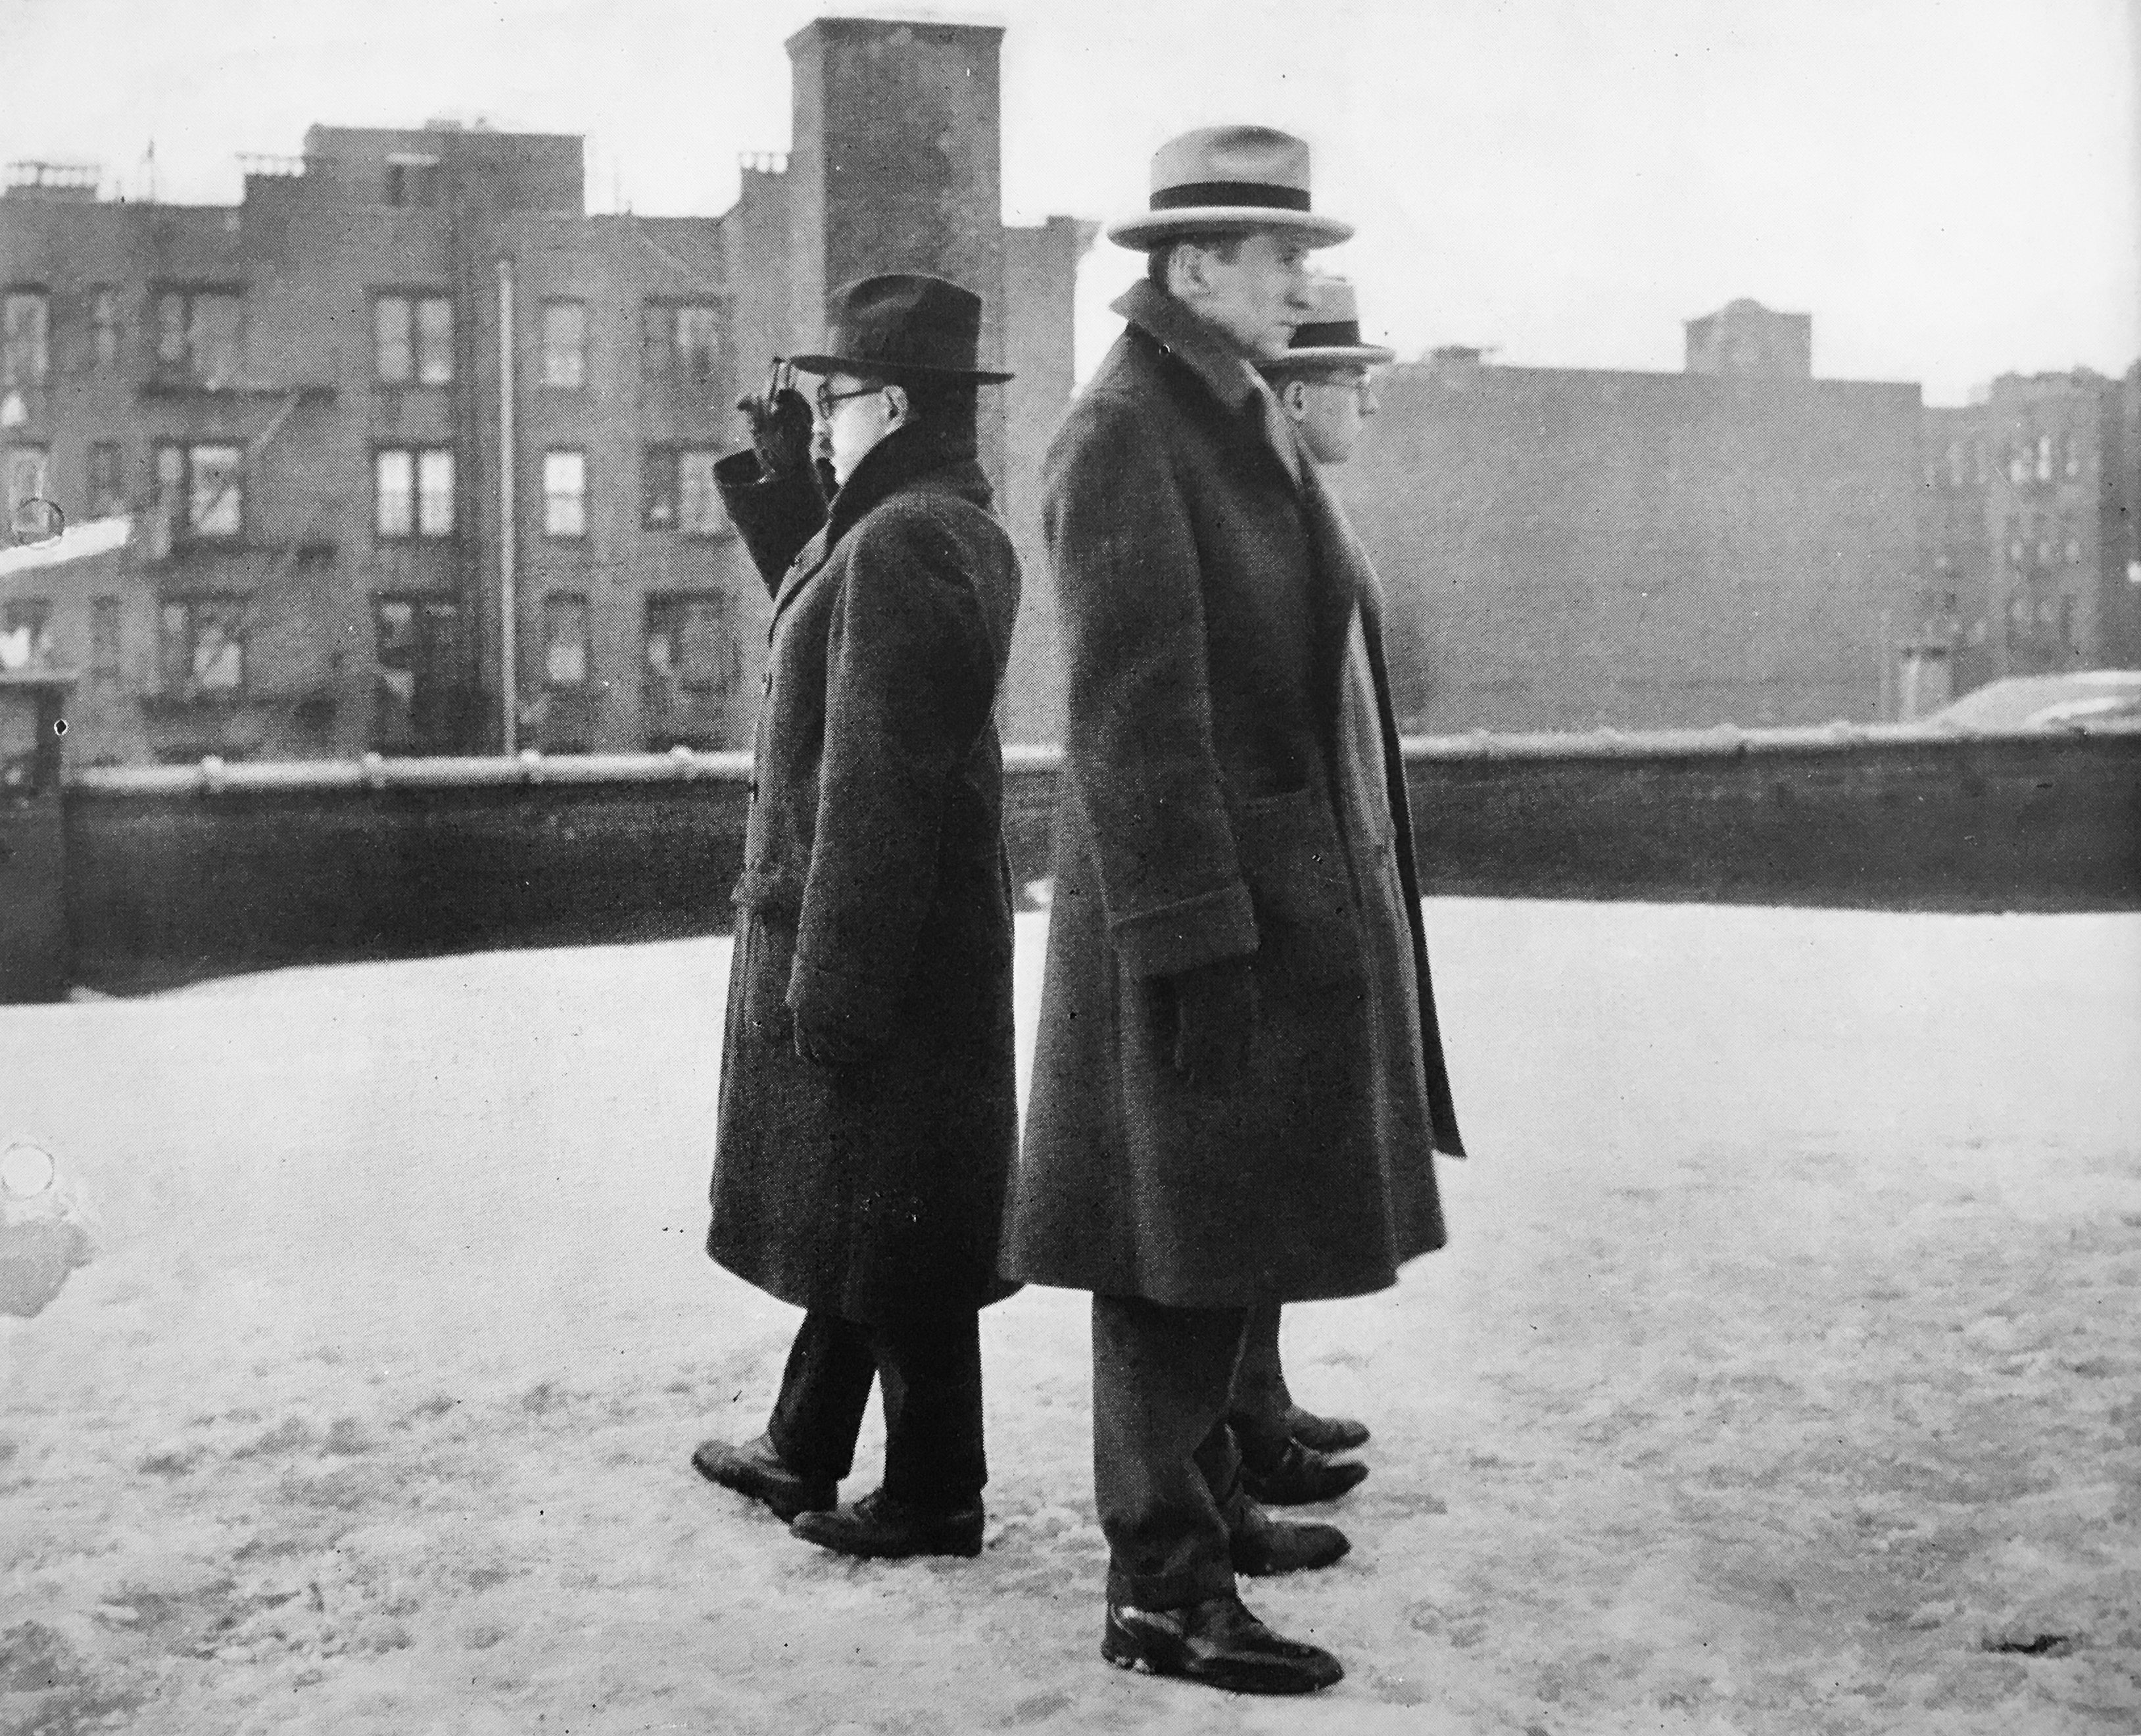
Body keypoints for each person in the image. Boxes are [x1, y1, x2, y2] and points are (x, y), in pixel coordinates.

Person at [1002, 128, 1466, 1695]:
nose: (1300, 280)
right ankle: (1160, 1594)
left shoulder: (1216, 415)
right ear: (1191, 265)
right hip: (1195, 925)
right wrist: (1194, 943)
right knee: (1169, 1256)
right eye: (1276, 258)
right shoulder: (1129, 432)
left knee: (1211, 1236)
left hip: (1258, 908)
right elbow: (1132, 723)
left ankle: (1204, 1515)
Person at [692, 273, 1022, 1562]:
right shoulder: (916, 524)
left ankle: (937, 1491)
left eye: (827, 404)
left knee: (902, 1219)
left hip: (884, 941)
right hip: (908, 942)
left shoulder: (911, 542)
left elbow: (877, 779)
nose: (817, 420)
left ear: (888, 402)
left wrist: (837, 984)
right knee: (868, 1198)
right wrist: (781, 486)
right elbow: (826, 611)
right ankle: (802, 1446)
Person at [1226, 276, 1425, 1504]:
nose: (1371, 408)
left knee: (1283, 1168)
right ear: (1300, 393)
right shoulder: (1275, 515)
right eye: (1360, 384)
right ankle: (1242, 1421)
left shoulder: (1301, 505)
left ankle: (1259, 1397)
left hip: (1327, 883)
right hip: (1290, 894)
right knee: (1257, 1173)